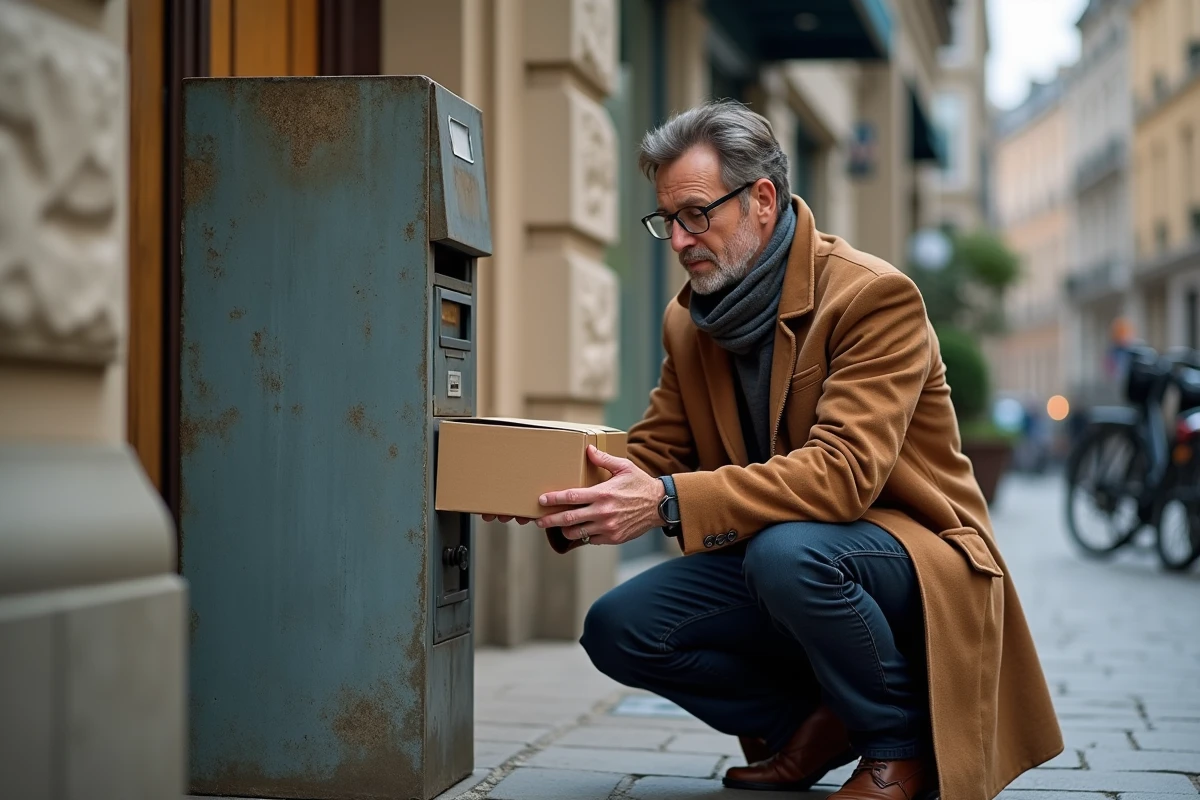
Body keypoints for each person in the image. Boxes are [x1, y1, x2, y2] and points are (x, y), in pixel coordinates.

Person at [484, 101, 1062, 800]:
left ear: (762, 199)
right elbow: (659, 448)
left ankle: (896, 748)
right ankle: (814, 727)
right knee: (619, 627)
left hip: (911, 554)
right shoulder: (690, 318)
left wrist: (666, 502)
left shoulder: (872, 298)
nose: (678, 238)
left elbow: (843, 476)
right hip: (783, 555)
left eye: (696, 214)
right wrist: (553, 491)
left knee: (786, 553)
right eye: (666, 220)